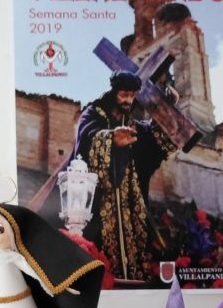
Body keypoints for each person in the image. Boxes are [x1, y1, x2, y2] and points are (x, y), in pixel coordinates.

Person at [74, 70, 176, 282]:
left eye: (132, 95)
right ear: (114, 92)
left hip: (130, 199)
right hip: (102, 198)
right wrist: (111, 138)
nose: (128, 100)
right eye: (124, 95)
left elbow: (150, 137)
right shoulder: (94, 112)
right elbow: (86, 136)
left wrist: (167, 108)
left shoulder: (132, 123)